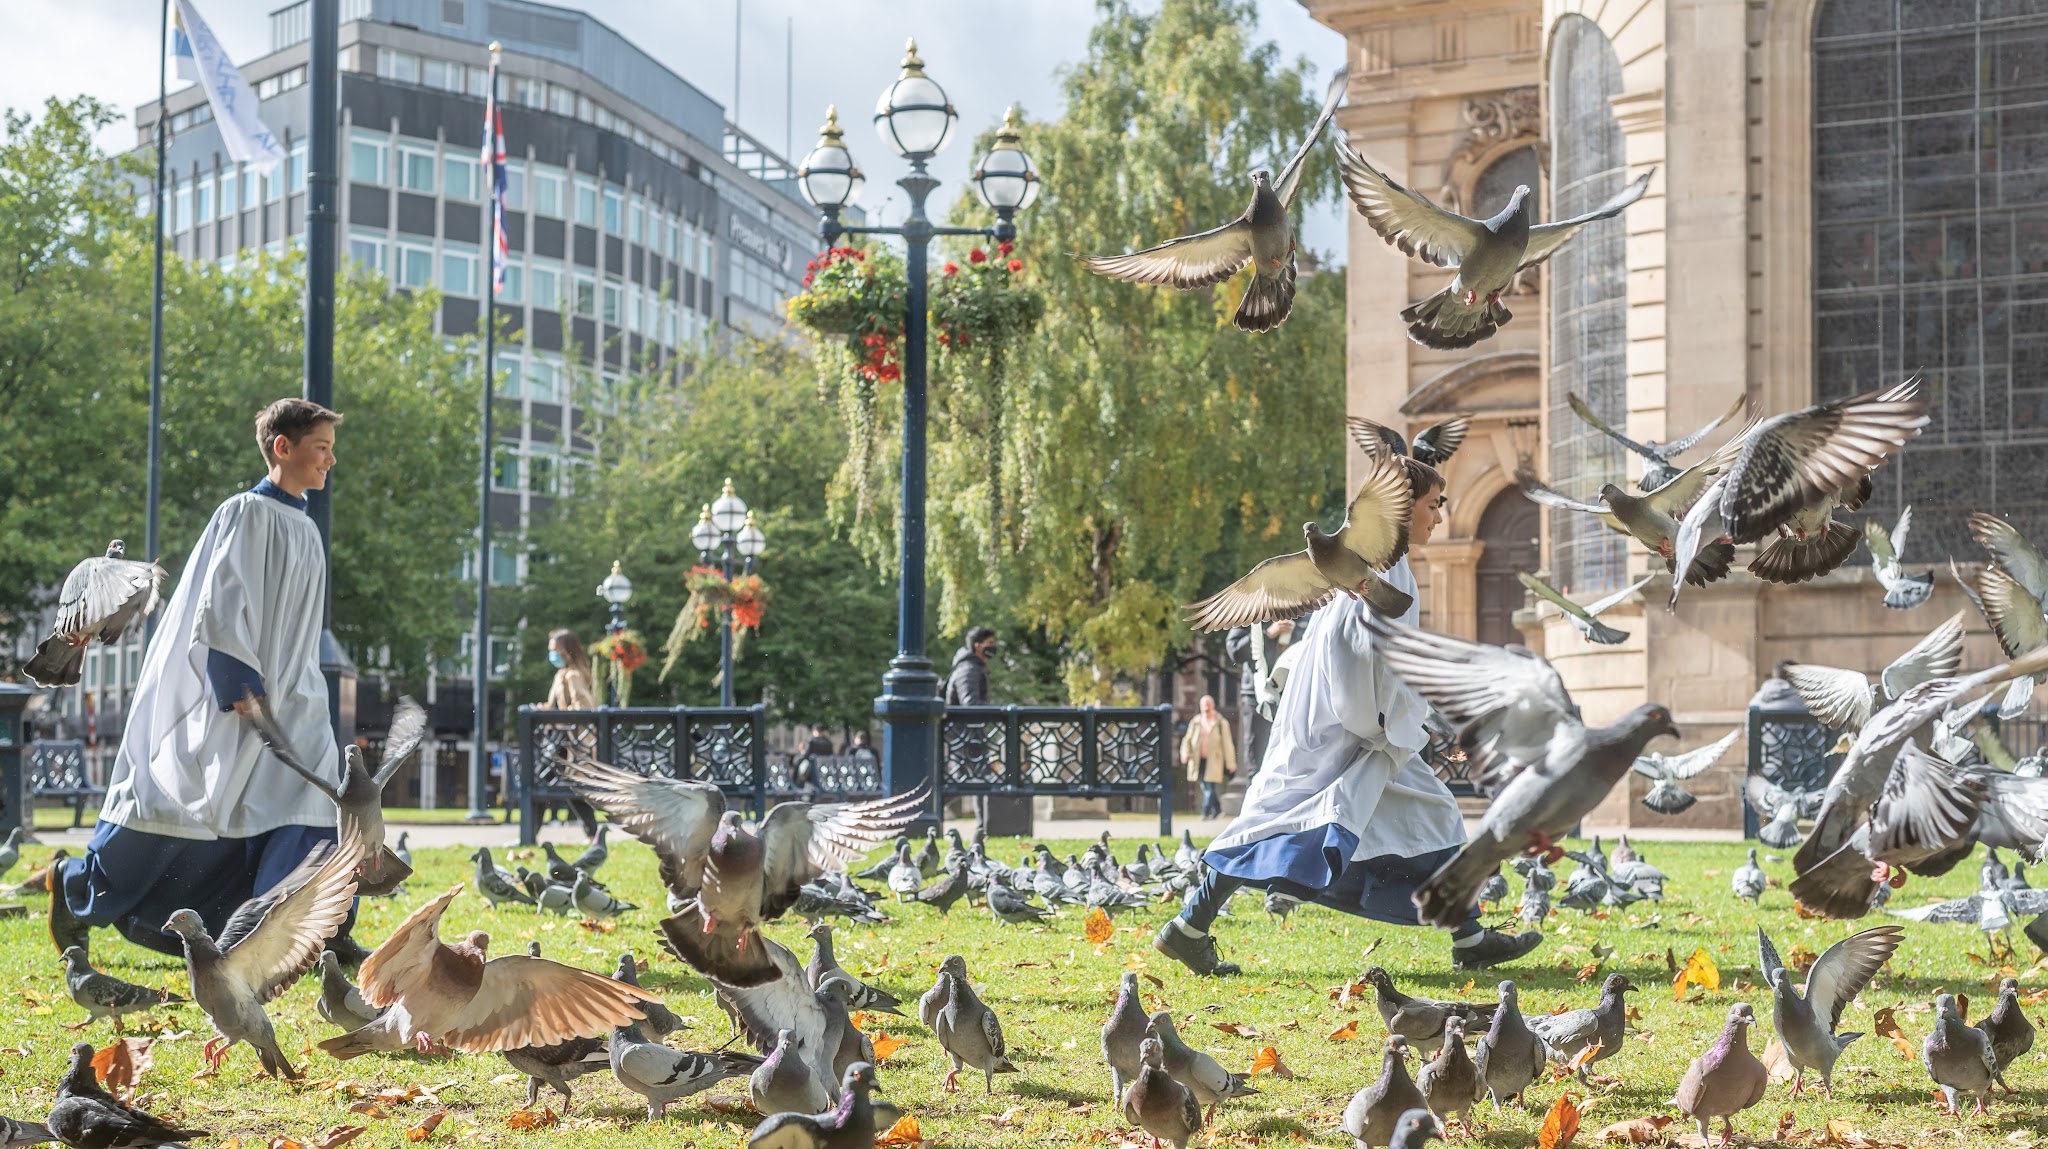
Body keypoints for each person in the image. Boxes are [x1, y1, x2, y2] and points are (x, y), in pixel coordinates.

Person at [1153, 456, 1544, 977]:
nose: (1440, 517)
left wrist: (1410, 722)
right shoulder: (1383, 566)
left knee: (1433, 817)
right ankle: (1189, 925)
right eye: (1433, 506)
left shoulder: (1389, 565)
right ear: (1403, 508)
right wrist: (1392, 724)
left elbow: (1378, 654)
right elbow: (1353, 651)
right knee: (1274, 822)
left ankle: (1470, 938)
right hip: (1347, 734)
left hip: (1366, 732)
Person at [60, 399, 366, 960]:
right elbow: (222, 604)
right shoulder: (246, 514)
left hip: (297, 697)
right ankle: (77, 886)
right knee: (185, 803)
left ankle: (320, 935)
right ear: (283, 448)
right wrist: (237, 683)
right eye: (321, 448)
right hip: (246, 697)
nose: (331, 459)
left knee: (315, 803)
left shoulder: (304, 526)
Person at [538, 629, 598, 834]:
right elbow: (555, 705)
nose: (550, 654)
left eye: (554, 650)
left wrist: (558, 716)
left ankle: (528, 834)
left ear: (565, 651)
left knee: (543, 781)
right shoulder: (561, 674)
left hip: (570, 742)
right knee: (562, 785)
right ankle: (592, 833)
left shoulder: (572, 675)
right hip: (562, 741)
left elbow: (584, 707)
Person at [1180, 695, 1235, 819]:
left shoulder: (1221, 722)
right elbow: (1187, 739)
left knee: (1208, 787)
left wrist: (1231, 763)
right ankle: (1218, 810)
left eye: (1208, 704)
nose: (1206, 707)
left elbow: (1227, 744)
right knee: (1206, 786)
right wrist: (1185, 754)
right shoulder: (1196, 721)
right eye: (1204, 704)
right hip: (1198, 760)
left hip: (1214, 760)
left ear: (1213, 705)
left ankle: (1205, 812)